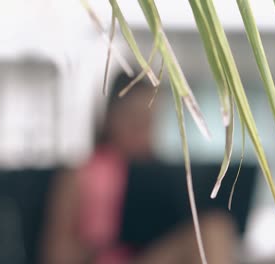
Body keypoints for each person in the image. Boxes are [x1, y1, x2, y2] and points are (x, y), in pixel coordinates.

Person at [41, 71, 237, 264]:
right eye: (133, 119)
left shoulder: (165, 177)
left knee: (216, 229)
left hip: (152, 254)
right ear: (111, 117)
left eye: (147, 121)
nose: (140, 130)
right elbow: (56, 255)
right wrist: (102, 240)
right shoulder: (79, 174)